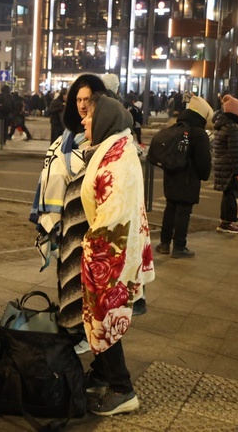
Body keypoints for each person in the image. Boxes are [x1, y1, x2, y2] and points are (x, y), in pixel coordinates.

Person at [79, 94, 155, 416]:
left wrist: (92, 247)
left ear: (106, 121)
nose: (83, 119)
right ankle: (102, 374)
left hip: (111, 254)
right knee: (102, 317)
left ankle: (122, 389)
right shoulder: (116, 149)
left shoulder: (118, 161)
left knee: (106, 317)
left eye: (89, 115)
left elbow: (113, 214)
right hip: (117, 249)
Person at [30, 74, 110, 355]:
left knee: (84, 281)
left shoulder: (102, 139)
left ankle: (81, 331)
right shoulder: (66, 137)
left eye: (88, 99)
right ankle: (71, 326)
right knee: (67, 275)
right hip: (65, 221)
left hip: (88, 221)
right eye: (78, 99)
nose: (83, 105)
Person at [156, 95, 213, 258]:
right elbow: (203, 161)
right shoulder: (199, 133)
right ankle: (179, 247)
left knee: (170, 208)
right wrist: (204, 174)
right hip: (188, 178)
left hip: (172, 176)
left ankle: (164, 243)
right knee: (183, 211)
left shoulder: (177, 127)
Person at [213, 94, 238, 234]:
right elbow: (236, 152)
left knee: (228, 194)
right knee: (231, 195)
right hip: (230, 167)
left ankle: (225, 221)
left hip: (225, 166)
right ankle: (228, 222)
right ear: (235, 112)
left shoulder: (225, 126)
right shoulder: (233, 128)